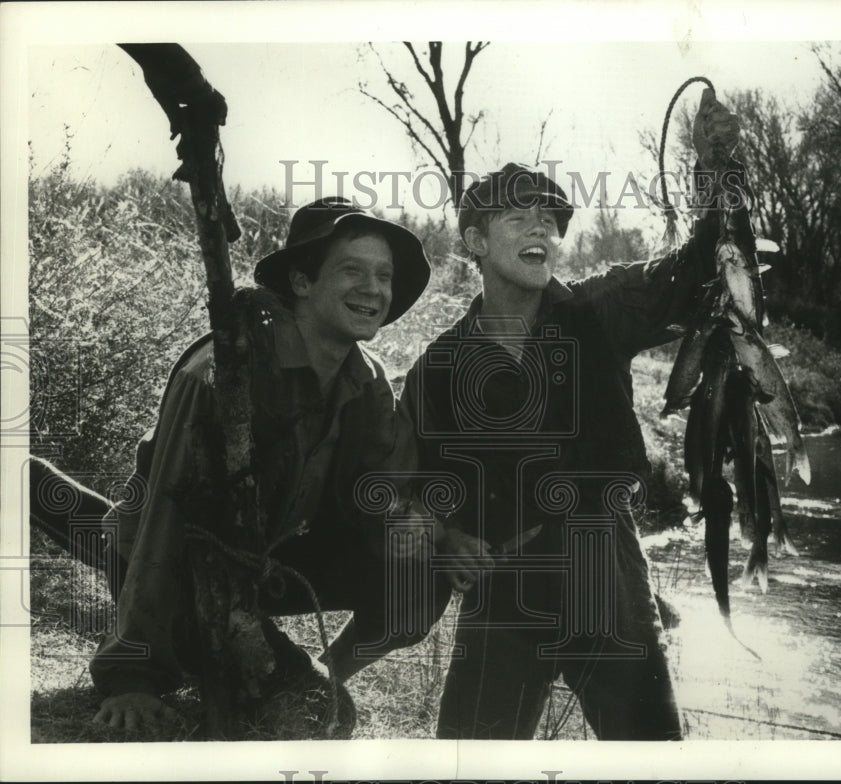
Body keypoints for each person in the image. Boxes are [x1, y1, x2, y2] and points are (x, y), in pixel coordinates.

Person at [34, 197, 450, 733]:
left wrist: (420, 528)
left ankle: (328, 675)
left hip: (267, 558)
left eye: (384, 275)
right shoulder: (222, 371)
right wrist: (132, 678)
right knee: (124, 539)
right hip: (184, 557)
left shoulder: (366, 381)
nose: (373, 289)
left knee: (421, 577)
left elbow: (380, 495)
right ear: (301, 282)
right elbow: (164, 521)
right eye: (352, 270)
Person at [398, 94, 739, 740]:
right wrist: (444, 539)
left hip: (604, 568)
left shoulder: (598, 312)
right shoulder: (437, 367)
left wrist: (716, 170)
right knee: (466, 763)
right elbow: (403, 482)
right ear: (475, 240)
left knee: (651, 759)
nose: (540, 230)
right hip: (503, 587)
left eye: (549, 221)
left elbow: (698, 269)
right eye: (518, 217)